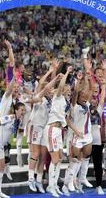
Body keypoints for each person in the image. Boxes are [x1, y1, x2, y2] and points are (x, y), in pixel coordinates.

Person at [44, 65, 72, 197]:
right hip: (51, 129)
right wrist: (66, 72)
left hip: (58, 131)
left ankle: (54, 184)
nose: (68, 89)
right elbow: (60, 87)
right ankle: (51, 185)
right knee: (55, 159)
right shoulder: (58, 97)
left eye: (69, 89)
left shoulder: (66, 102)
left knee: (60, 158)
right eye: (67, 88)